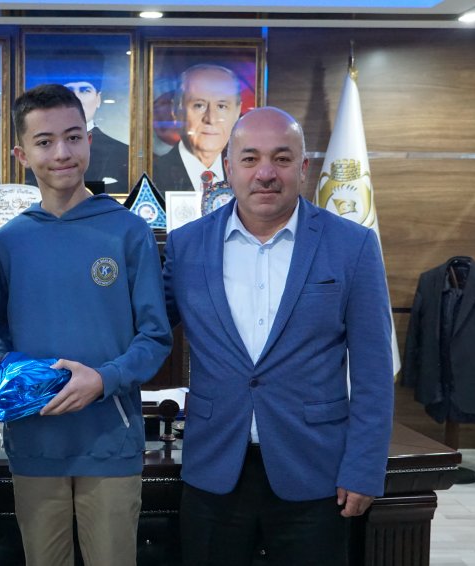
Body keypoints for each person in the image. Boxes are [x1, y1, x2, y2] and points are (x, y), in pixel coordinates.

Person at [162, 107, 394, 566]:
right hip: (214, 468)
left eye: (282, 159)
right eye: (250, 159)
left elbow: (374, 372)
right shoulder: (186, 245)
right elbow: (147, 330)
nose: (265, 173)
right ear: (228, 167)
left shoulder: (352, 245)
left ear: (302, 168)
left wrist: (365, 467)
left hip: (315, 471)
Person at [0, 84, 173, 566]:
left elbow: (156, 337)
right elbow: (2, 338)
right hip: (34, 441)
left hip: (110, 440)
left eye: (73, 137)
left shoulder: (128, 230)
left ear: (89, 140)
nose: (62, 153)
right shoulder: (10, 240)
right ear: (22, 154)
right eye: (45, 141)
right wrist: (12, 379)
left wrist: (103, 379)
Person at [25, 48, 130, 190]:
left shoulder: (123, 154)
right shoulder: (36, 154)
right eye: (69, 91)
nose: (77, 99)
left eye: (85, 90)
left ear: (98, 99)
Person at [152, 64, 242, 192]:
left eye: (221, 106)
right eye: (199, 105)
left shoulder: (245, 177)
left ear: (237, 112)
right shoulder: (153, 176)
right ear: (175, 110)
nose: (210, 119)